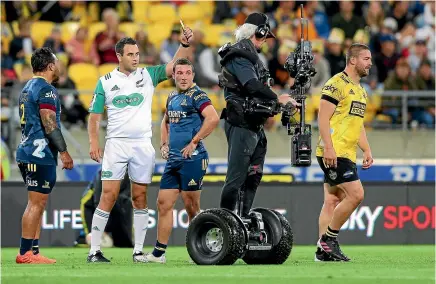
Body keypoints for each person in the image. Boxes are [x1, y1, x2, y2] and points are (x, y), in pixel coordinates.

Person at [86, 26, 194, 263]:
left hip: (142, 145)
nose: (135, 58)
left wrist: (183, 45)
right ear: (119, 56)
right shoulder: (104, 82)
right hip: (116, 144)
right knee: (108, 195)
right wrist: (94, 143)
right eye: (130, 54)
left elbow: (172, 67)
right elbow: (94, 117)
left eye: (137, 54)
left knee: (140, 197)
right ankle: (94, 251)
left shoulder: (147, 75)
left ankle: (137, 251)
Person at [217, 13, 299, 217]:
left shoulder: (252, 57)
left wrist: (279, 101)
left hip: (254, 125)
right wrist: (278, 98)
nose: (265, 41)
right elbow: (252, 86)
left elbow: (259, 89)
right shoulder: (239, 56)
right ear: (258, 33)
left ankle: (243, 218)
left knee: (253, 176)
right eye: (263, 36)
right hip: (241, 123)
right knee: (236, 178)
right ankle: (226, 221)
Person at [146, 58, 219, 263]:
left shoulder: (198, 95)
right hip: (174, 160)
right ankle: (159, 253)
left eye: (187, 73)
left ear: (193, 75)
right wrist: (163, 144)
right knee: (163, 203)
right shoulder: (171, 97)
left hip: (193, 159)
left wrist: (195, 141)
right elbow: (165, 122)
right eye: (180, 73)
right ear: (174, 75)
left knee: (191, 207)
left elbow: (213, 118)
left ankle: (202, 249)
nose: (184, 77)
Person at [315, 43, 374, 262]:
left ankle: (322, 253)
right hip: (334, 151)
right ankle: (328, 240)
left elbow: (357, 124)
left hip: (347, 152)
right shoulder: (336, 83)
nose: (370, 63)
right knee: (356, 194)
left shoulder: (361, 91)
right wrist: (329, 147)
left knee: (332, 200)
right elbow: (322, 118)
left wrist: (366, 149)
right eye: (366, 58)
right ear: (353, 60)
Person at [15, 47, 74, 264]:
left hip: (27, 150)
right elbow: (49, 124)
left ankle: (34, 251)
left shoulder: (28, 87)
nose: (58, 67)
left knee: (38, 202)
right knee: (36, 203)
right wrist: (64, 152)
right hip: (38, 153)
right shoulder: (46, 89)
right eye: (56, 63)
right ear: (50, 66)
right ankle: (24, 253)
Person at [77, 168, 133, 248]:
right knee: (93, 237)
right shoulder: (103, 173)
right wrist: (99, 228)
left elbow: (127, 200)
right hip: (91, 207)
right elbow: (98, 202)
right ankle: (84, 238)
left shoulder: (130, 174)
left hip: (117, 206)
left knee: (124, 244)